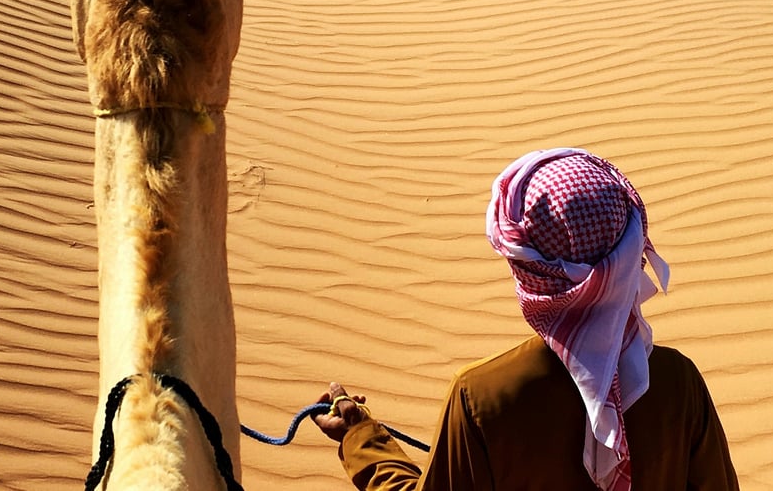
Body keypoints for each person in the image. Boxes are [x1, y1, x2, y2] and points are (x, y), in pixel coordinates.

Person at [312, 148, 739, 490]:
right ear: (630, 258)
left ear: (529, 275)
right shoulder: (678, 383)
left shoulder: (480, 398)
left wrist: (361, 438)